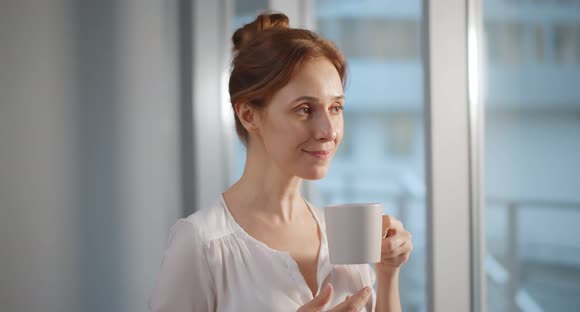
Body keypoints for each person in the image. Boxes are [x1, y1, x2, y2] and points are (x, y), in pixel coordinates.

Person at [150, 12, 412, 312]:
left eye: (336, 107)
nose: (329, 131)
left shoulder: (340, 235)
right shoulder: (202, 243)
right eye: (304, 109)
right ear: (249, 115)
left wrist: (388, 273)